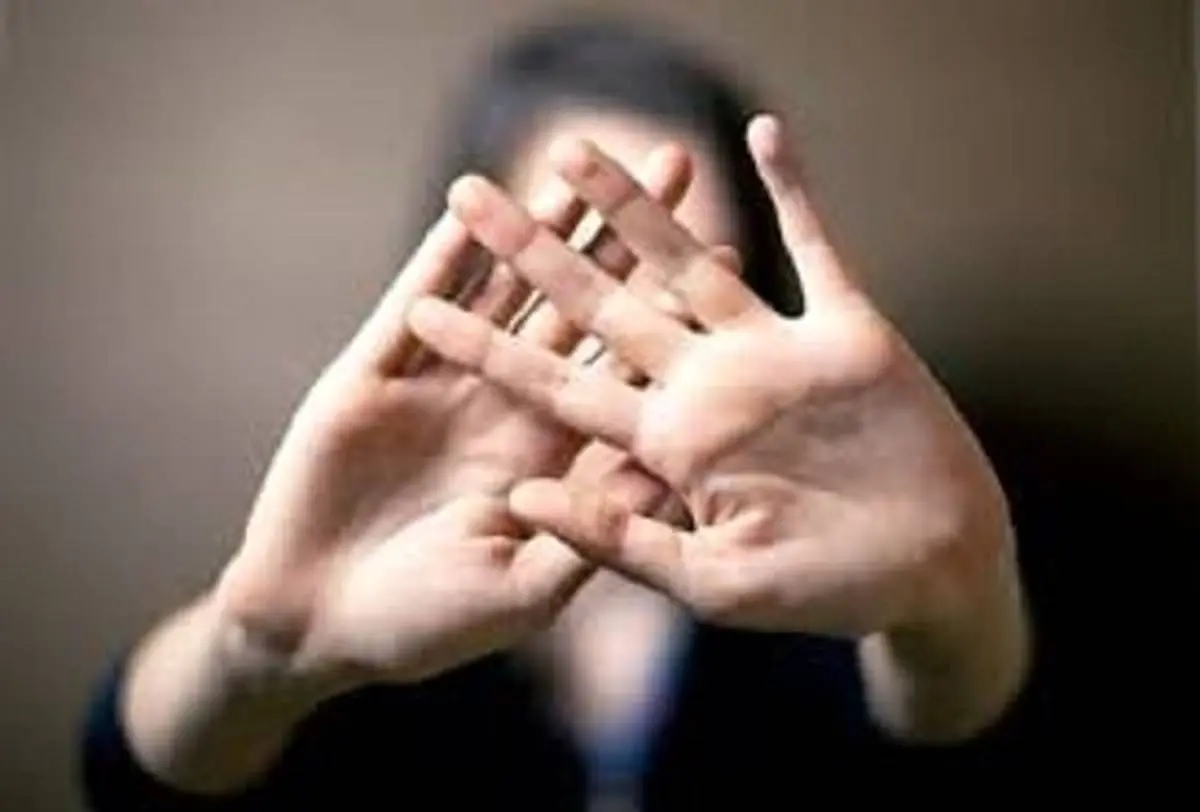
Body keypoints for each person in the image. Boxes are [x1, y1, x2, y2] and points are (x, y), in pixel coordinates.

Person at [80, 18, 1037, 810]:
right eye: (585, 262)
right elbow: (140, 778)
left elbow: (955, 740)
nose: (634, 329)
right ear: (467, 280)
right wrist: (256, 657)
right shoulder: (376, 571)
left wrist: (957, 607)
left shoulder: (812, 580)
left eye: (691, 272)